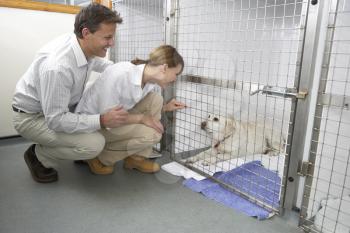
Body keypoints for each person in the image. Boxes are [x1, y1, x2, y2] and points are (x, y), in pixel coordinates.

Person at [12, 3, 126, 183]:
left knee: (93, 125)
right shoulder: (58, 67)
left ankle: (73, 147)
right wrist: (102, 120)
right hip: (32, 118)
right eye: (108, 37)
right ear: (87, 33)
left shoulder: (81, 45)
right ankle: (38, 155)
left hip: (57, 109)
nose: (112, 43)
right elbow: (56, 120)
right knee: (94, 144)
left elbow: (99, 64)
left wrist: (129, 70)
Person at [75, 45, 186, 174]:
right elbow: (109, 118)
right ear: (165, 68)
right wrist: (142, 119)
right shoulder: (121, 74)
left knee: (156, 100)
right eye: (176, 74)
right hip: (94, 127)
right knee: (154, 134)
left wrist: (165, 108)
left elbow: (131, 106)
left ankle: (135, 159)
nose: (175, 79)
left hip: (112, 119)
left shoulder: (150, 82)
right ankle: (98, 156)